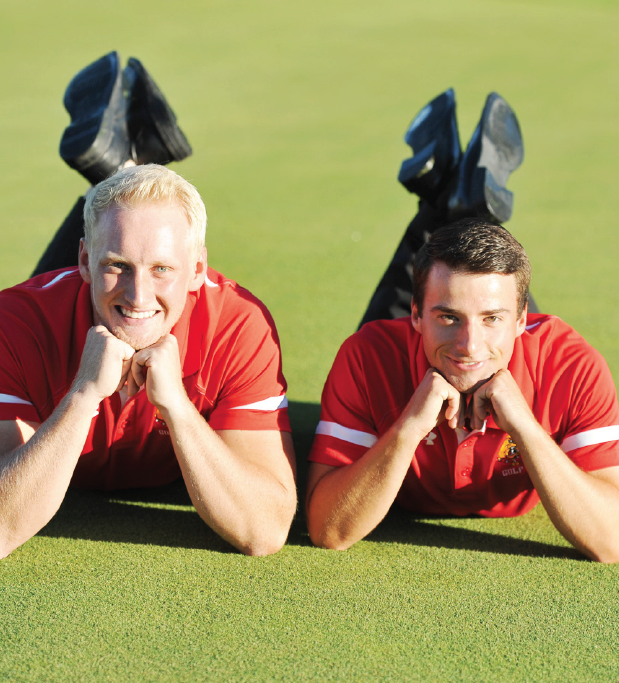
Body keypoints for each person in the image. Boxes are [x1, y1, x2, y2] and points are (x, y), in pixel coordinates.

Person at [0, 53, 296, 558]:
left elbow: (263, 532)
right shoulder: (13, 323)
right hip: (56, 303)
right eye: (116, 265)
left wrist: (177, 408)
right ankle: (118, 170)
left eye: (164, 269)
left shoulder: (239, 325)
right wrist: (81, 397)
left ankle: (120, 166)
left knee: (120, 254)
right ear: (84, 260)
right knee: (91, 273)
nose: (139, 296)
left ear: (199, 269)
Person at [306, 90, 619, 562]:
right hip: (402, 347)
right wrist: (409, 425)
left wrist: (527, 428)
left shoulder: (571, 367)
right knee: (433, 275)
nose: (469, 344)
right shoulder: (367, 356)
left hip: (501, 346)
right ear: (413, 317)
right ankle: (462, 206)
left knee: (460, 271)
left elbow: (612, 540)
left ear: (522, 322)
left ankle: (442, 201)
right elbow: (328, 530)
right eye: (448, 318)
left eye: (493, 320)